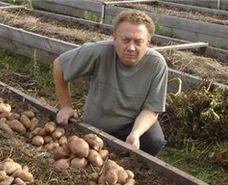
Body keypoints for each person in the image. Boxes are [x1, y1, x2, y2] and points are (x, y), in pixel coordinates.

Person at [53, 9, 168, 156]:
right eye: (125, 40)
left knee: (154, 141)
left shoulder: (156, 64)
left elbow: (152, 110)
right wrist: (65, 106)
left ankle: (132, 159)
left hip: (130, 125)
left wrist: (136, 133)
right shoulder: (100, 52)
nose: (131, 48)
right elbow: (59, 65)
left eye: (138, 41)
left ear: (148, 42)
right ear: (114, 38)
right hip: (96, 125)